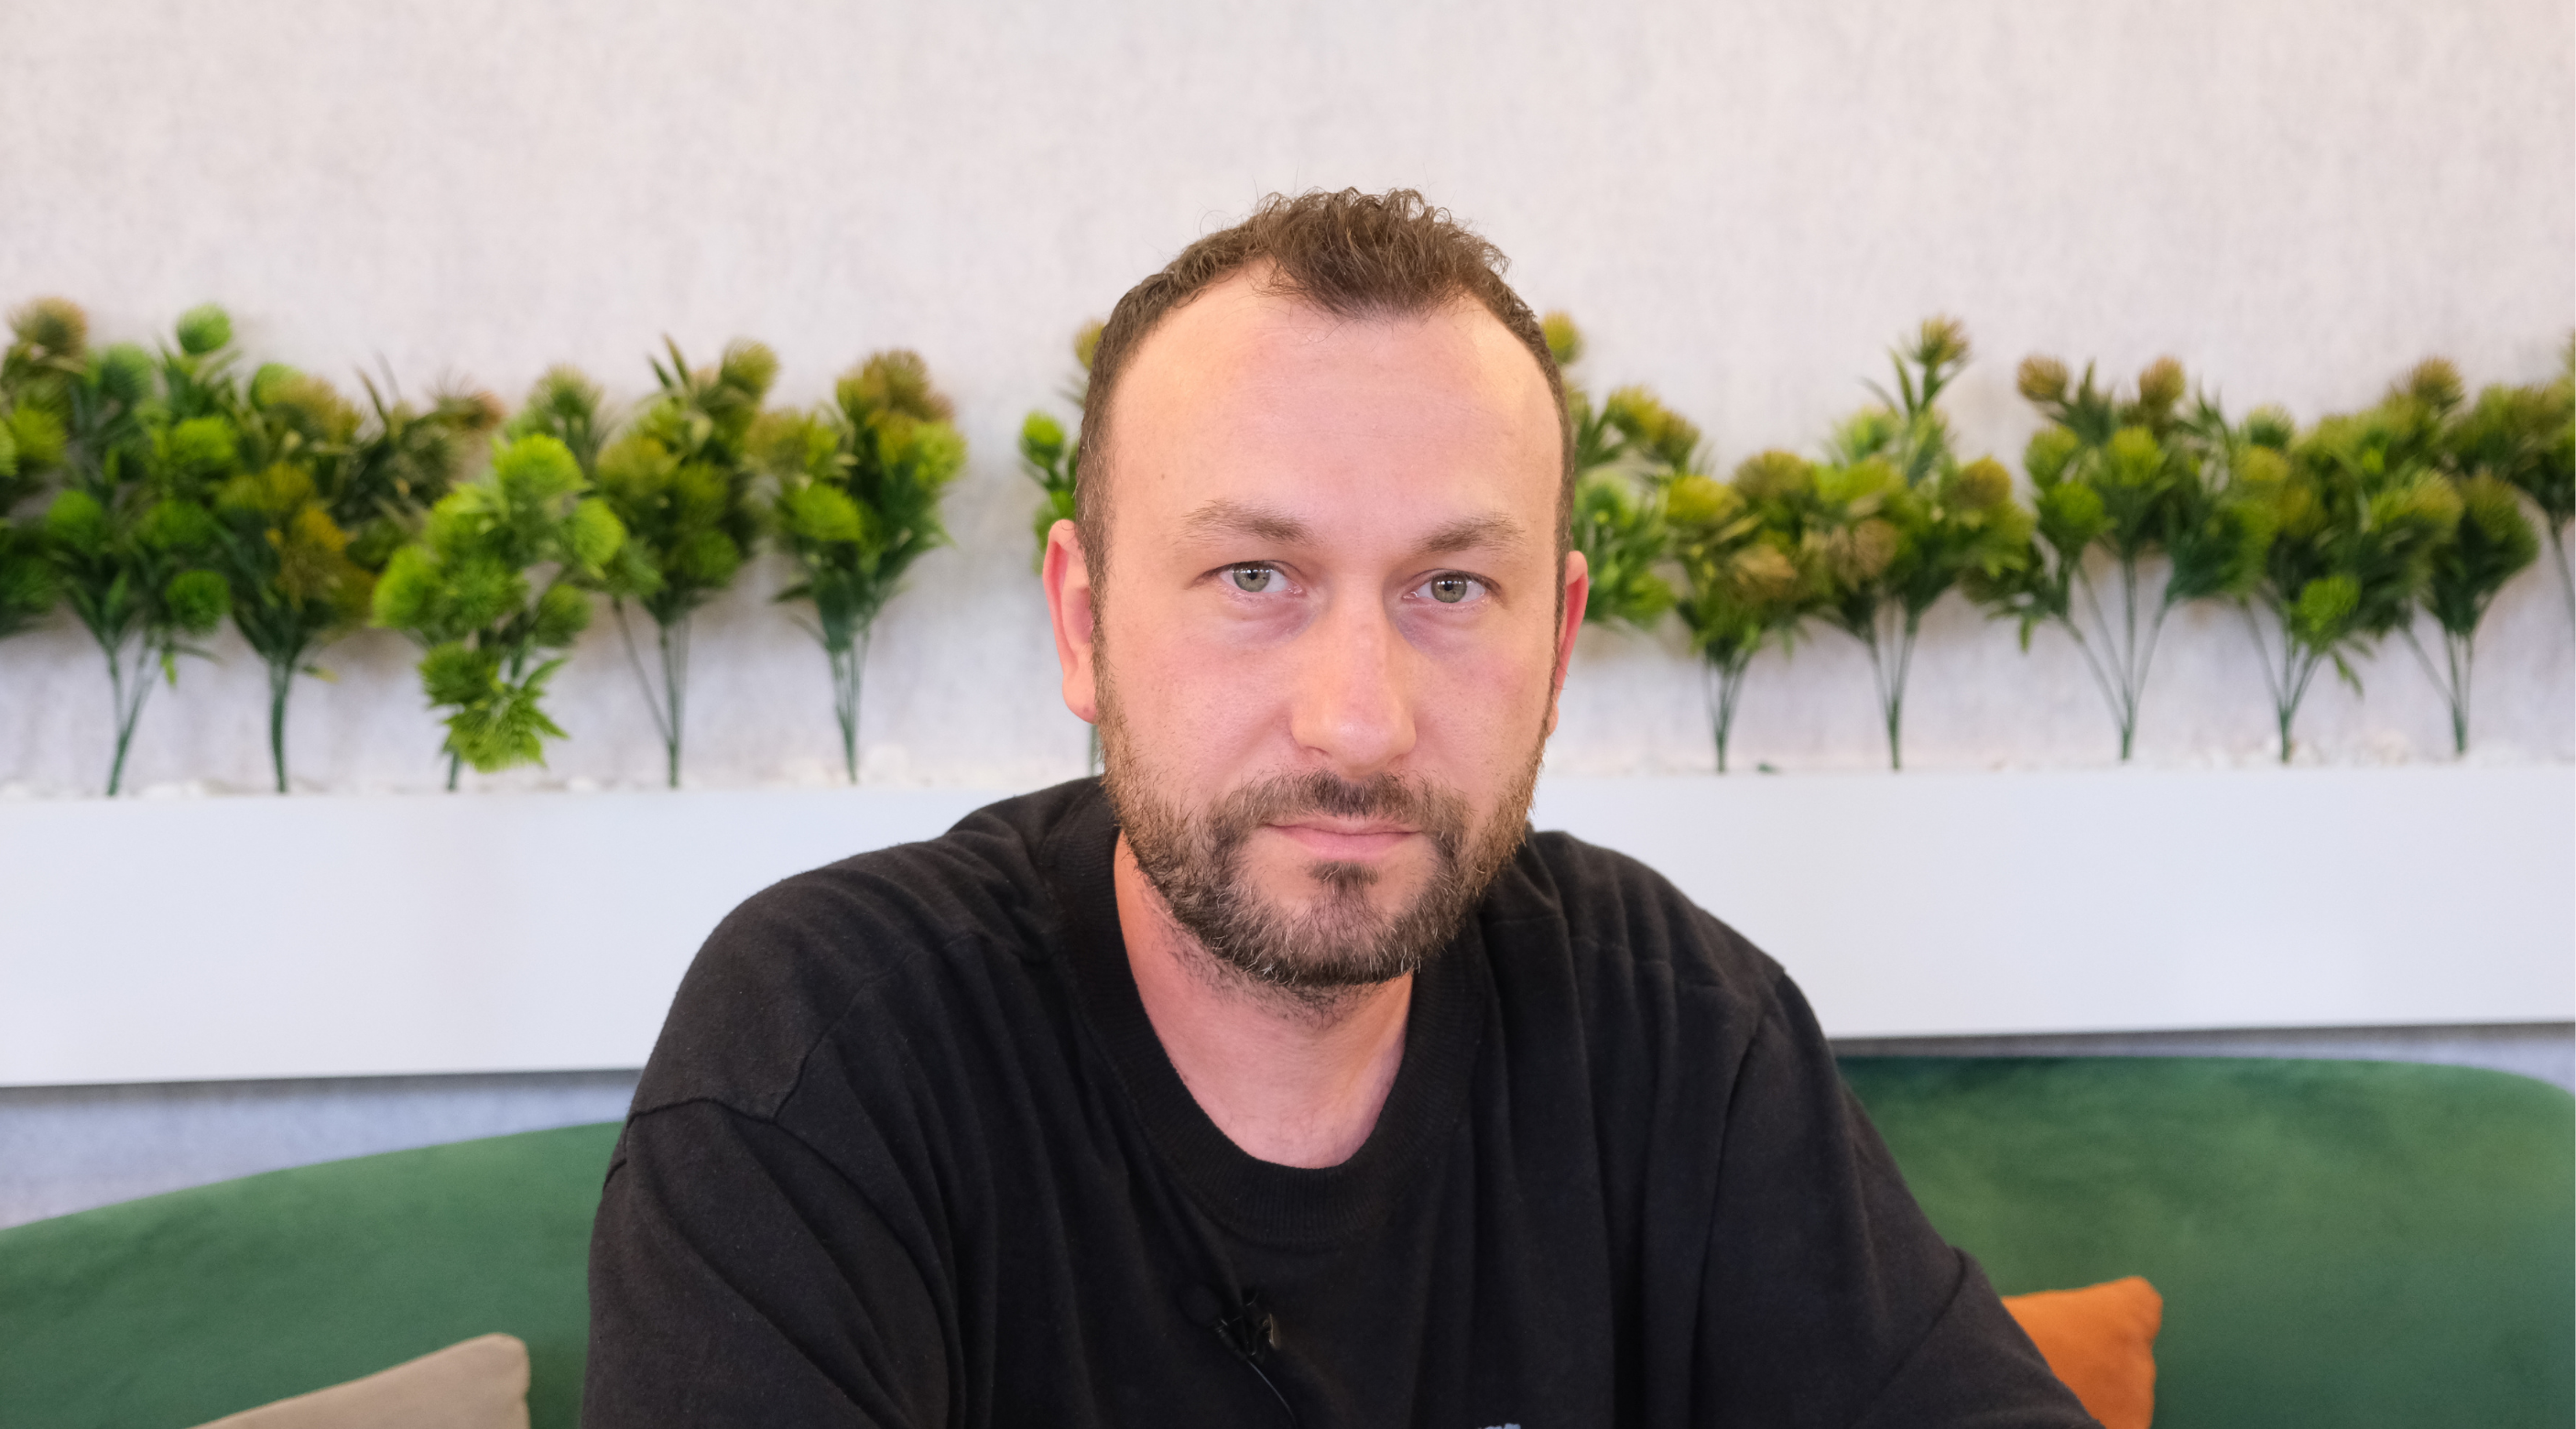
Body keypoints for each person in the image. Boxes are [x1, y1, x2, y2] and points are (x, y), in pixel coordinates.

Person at [582, 190, 2093, 1427]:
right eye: (1256, 576)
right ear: (1084, 622)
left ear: (1558, 643)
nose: (1359, 718)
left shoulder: (1674, 1032)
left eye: (1453, 586)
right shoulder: (828, 1045)